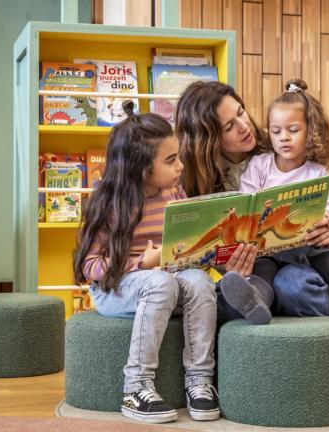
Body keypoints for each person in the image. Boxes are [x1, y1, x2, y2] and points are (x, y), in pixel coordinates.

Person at [73, 101, 220, 424]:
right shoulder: (108, 203)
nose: (180, 166)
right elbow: (90, 267)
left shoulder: (173, 193)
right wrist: (142, 264)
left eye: (178, 156)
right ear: (141, 167)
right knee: (160, 281)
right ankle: (135, 387)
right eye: (171, 160)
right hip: (115, 290)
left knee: (199, 281)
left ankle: (200, 381)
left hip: (165, 282)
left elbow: (182, 251)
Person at [240, 78, 329, 378]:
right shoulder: (259, 165)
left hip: (304, 247)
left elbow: (326, 211)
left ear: (310, 133)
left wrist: (328, 223)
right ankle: (253, 301)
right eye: (276, 130)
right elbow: (246, 204)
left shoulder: (315, 171)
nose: (284, 138)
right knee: (261, 270)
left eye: (293, 130)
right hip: (267, 249)